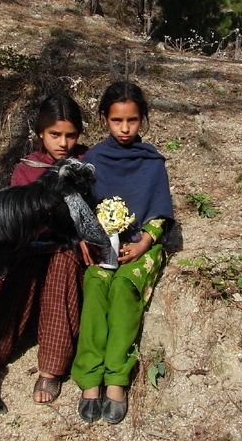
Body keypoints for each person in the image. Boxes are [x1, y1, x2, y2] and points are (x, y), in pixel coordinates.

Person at [0, 94, 88, 404]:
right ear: (41, 133)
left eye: (70, 135)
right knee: (23, 272)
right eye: (55, 135)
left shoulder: (87, 165)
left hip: (73, 250)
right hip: (32, 248)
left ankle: (51, 368)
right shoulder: (26, 169)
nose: (63, 143)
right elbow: (14, 221)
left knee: (59, 267)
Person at [72, 81, 174, 425]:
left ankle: (116, 377)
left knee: (124, 287)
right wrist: (86, 238)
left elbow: (159, 213)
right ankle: (89, 377)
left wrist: (145, 241)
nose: (125, 128)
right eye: (117, 121)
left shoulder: (151, 161)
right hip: (103, 248)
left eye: (132, 120)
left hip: (141, 247)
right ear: (104, 119)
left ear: (142, 119)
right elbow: (82, 207)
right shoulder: (93, 160)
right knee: (96, 284)